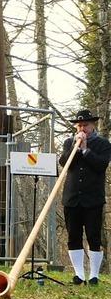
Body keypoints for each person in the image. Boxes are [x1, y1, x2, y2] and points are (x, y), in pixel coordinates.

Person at [60, 109, 111, 285]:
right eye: (80, 125)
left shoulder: (103, 144)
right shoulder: (69, 142)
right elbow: (64, 163)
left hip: (93, 198)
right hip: (72, 197)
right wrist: (75, 147)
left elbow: (101, 165)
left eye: (86, 125)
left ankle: (94, 275)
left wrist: (86, 150)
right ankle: (79, 274)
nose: (83, 128)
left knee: (93, 236)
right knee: (73, 235)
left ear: (93, 125)